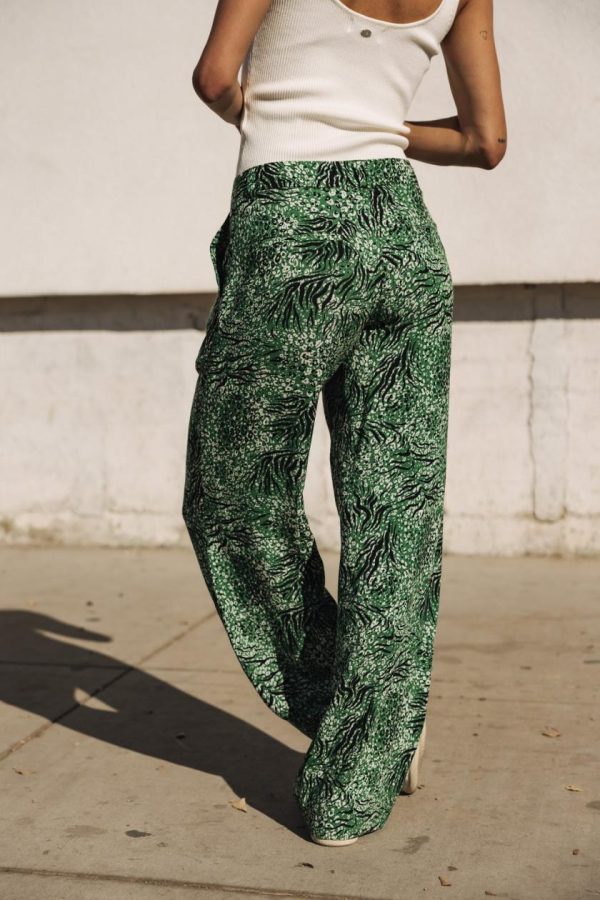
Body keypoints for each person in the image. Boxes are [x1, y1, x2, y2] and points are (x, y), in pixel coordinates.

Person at [182, 0, 506, 847]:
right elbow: (486, 142)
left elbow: (215, 78)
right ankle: (366, 758)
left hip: (292, 224)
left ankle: (350, 714)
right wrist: (378, 127)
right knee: (397, 511)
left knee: (232, 493)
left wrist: (280, 115)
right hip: (403, 233)